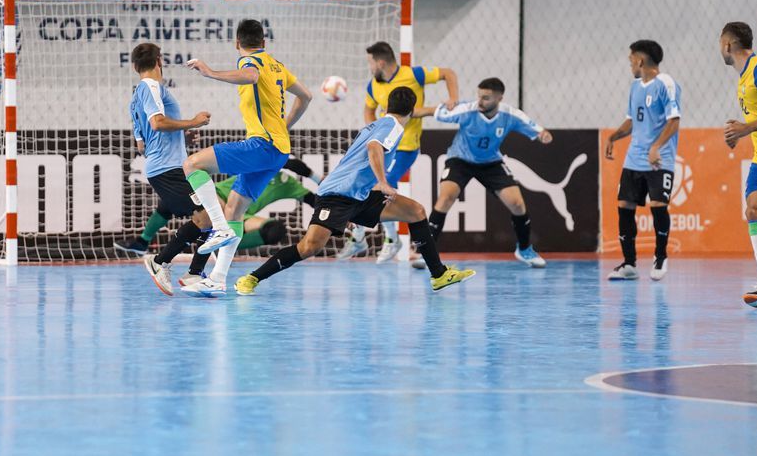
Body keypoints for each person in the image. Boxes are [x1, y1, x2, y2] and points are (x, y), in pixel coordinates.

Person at [235, 87, 475, 295]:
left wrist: (371, 190)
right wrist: (383, 182)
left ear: (387, 106)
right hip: (337, 196)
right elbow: (373, 148)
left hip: (358, 196)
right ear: (412, 111)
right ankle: (252, 278)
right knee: (309, 247)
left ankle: (439, 274)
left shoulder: (377, 123)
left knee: (416, 211)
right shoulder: (393, 127)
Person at [180, 19, 313, 297]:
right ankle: (217, 278)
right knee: (234, 211)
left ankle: (218, 228)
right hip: (278, 151)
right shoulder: (277, 66)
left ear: (236, 43)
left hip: (261, 145)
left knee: (192, 164)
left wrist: (210, 72)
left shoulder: (249, 61)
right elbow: (306, 96)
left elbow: (251, 76)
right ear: (264, 42)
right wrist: (284, 126)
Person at [416, 78, 553, 269]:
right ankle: (426, 255)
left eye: (486, 98)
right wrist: (402, 113)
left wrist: (543, 135)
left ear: (499, 99)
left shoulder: (510, 115)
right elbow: (431, 111)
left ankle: (524, 250)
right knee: (446, 197)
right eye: (479, 96)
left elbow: (538, 130)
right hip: (460, 159)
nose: (480, 101)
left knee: (517, 203)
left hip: (491, 163)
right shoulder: (467, 110)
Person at [342, 41, 459, 263]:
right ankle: (368, 236)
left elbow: (448, 73)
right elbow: (368, 110)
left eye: (370, 63)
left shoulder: (414, 74)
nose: (369, 68)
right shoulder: (373, 86)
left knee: (381, 185)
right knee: (368, 184)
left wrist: (453, 98)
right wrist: (374, 131)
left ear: (380, 62)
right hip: (384, 146)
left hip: (405, 147)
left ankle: (386, 238)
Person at [116, 43, 213, 296]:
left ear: (135, 66)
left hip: (165, 167)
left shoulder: (135, 99)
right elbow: (158, 124)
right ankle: (161, 262)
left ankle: (194, 273)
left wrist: (181, 137)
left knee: (210, 218)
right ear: (159, 61)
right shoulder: (151, 87)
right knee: (208, 217)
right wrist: (193, 122)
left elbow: (142, 146)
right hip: (168, 169)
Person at [127, 157, 321, 265]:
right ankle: (143, 242)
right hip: (215, 197)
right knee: (171, 202)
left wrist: (316, 178)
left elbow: (314, 200)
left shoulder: (288, 183)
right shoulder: (257, 161)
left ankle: (224, 247)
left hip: (238, 214)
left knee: (275, 230)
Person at [605, 40, 681, 282]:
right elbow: (632, 120)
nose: (630, 65)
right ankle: (629, 264)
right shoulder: (635, 87)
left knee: (658, 205)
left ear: (640, 60)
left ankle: (660, 257)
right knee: (624, 206)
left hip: (659, 160)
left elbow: (674, 121)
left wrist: (656, 147)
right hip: (634, 159)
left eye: (631, 60)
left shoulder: (666, 84)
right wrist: (614, 136)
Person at [718, 22, 757, 308]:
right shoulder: (744, 77)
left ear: (727, 45)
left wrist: (745, 128)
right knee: (754, 209)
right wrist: (738, 134)